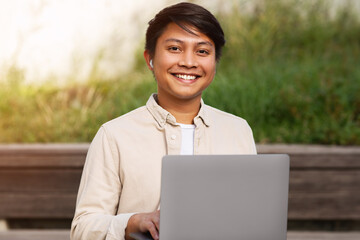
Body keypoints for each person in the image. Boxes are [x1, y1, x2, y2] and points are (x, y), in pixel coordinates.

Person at [71, 2, 257, 240]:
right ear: (150, 59)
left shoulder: (237, 130)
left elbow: (251, 217)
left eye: (202, 51)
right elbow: (83, 229)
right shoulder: (114, 135)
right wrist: (133, 222)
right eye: (175, 48)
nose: (189, 62)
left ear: (214, 63)